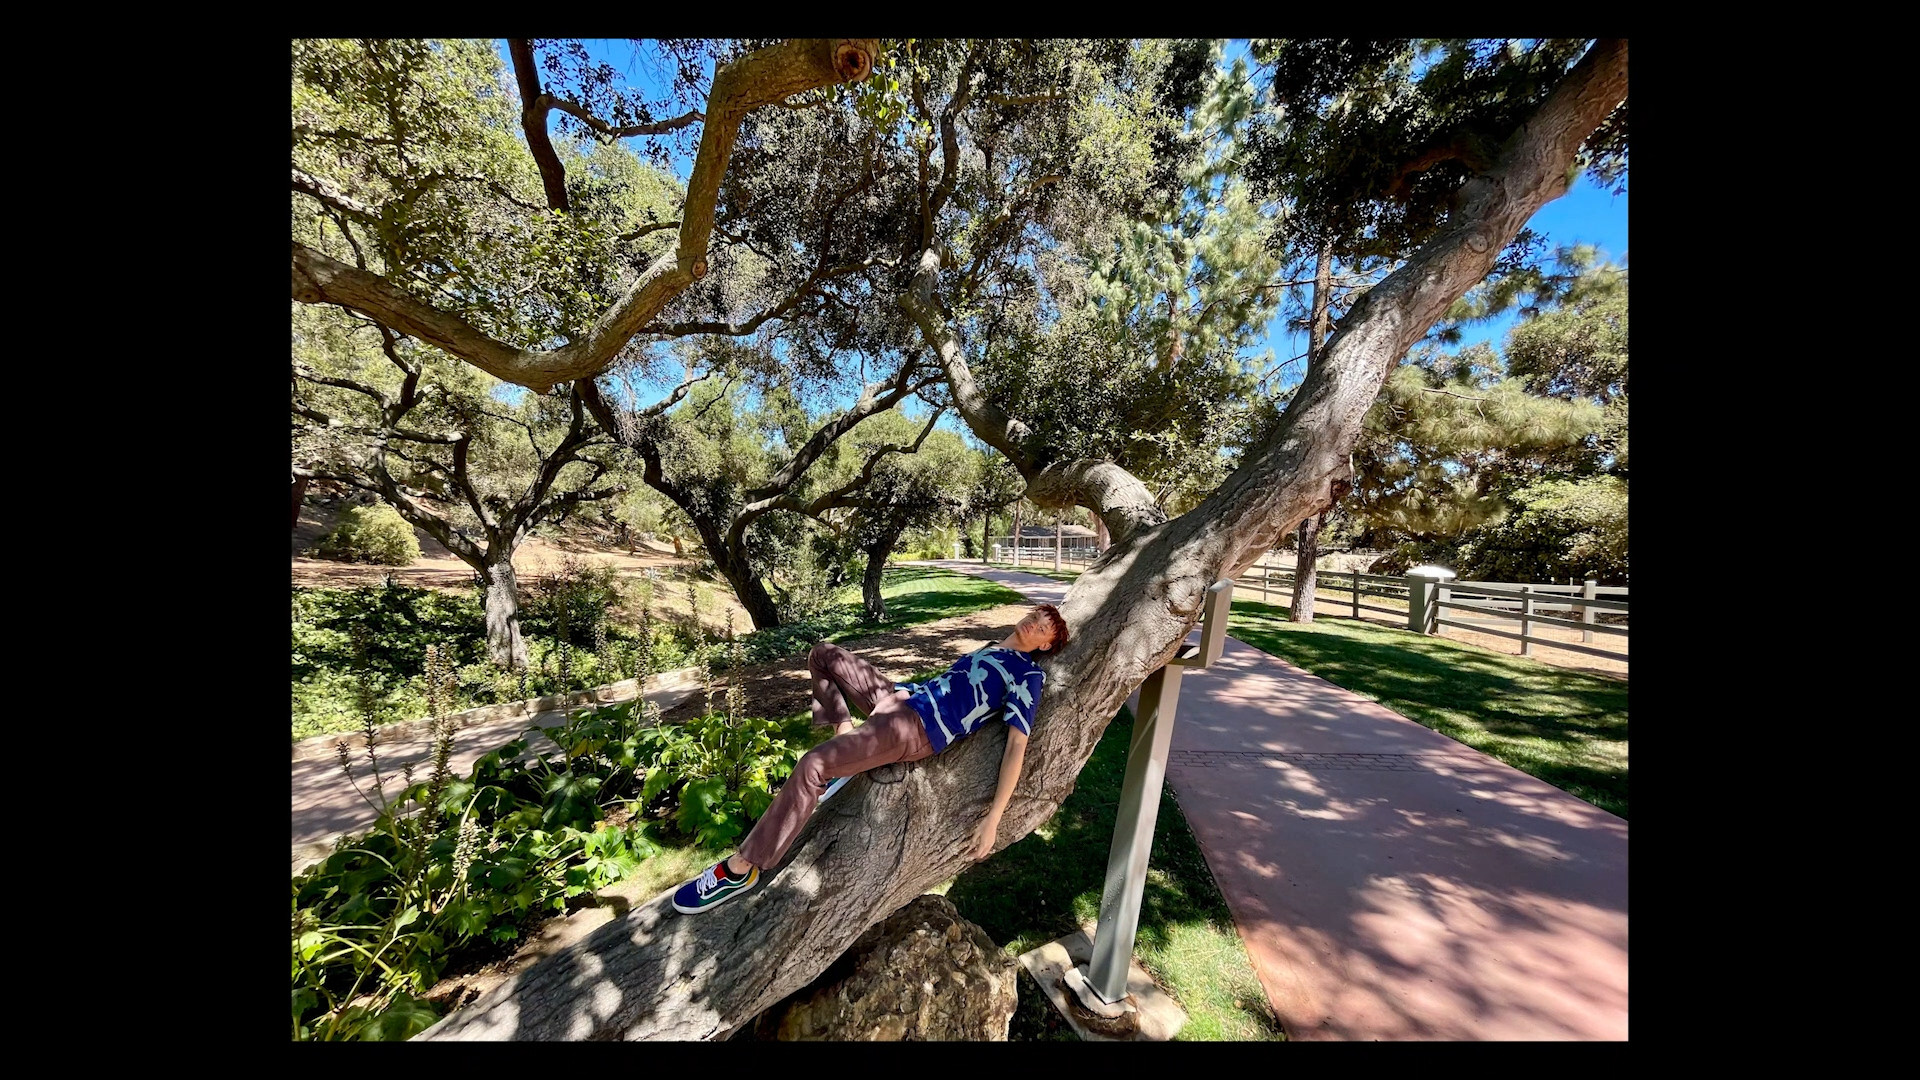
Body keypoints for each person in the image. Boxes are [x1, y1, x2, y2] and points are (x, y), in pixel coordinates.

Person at [672, 603, 1070, 914]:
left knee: (812, 766)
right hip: (899, 696)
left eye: (1042, 627)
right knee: (823, 654)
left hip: (914, 728)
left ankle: (742, 868)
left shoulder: (1027, 676)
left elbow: (1017, 745)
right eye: (1034, 615)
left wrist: (994, 818)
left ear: (1046, 645)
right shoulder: (993, 648)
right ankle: (844, 738)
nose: (1032, 623)